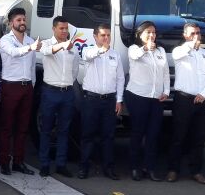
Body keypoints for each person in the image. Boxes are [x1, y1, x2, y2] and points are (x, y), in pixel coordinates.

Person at [167, 22, 205, 184]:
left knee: (199, 138)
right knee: (178, 136)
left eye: (198, 33)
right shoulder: (180, 51)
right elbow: (177, 55)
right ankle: (173, 170)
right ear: (185, 35)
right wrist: (190, 46)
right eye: (192, 33)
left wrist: (204, 94)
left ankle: (196, 171)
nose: (196, 36)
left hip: (201, 101)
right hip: (183, 99)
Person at [78, 24, 125, 180]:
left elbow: (120, 78)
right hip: (91, 99)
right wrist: (101, 50)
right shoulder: (89, 50)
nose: (106, 38)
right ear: (95, 37)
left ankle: (108, 168)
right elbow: (87, 57)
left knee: (109, 136)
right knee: (88, 135)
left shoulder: (115, 55)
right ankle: (84, 167)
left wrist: (119, 100)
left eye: (108, 36)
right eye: (103, 35)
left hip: (109, 100)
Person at [0, 8, 41, 175]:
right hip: (11, 86)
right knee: (7, 126)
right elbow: (14, 53)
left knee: (23, 127)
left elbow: (31, 66)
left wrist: (32, 85)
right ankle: (4, 162)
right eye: (18, 20)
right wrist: (30, 48)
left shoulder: (30, 40)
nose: (22, 22)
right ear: (11, 23)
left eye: (23, 19)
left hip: (26, 86)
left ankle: (19, 161)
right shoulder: (5, 40)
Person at [126, 21, 169, 181]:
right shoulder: (134, 49)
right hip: (138, 96)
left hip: (156, 98)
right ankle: (135, 167)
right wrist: (145, 48)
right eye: (148, 32)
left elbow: (165, 73)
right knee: (137, 133)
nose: (152, 35)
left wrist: (166, 91)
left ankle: (149, 167)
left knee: (153, 134)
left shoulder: (161, 51)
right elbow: (135, 56)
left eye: (154, 33)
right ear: (140, 34)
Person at [38, 16, 78, 178]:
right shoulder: (47, 43)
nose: (64, 31)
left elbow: (74, 70)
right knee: (46, 129)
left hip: (67, 92)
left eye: (66, 28)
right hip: (50, 92)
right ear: (54, 29)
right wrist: (61, 45)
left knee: (64, 130)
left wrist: (67, 83)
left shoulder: (72, 48)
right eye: (61, 28)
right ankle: (44, 164)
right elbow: (46, 52)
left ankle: (61, 164)